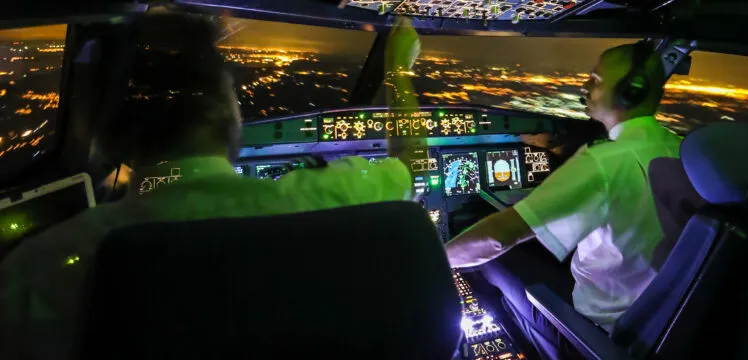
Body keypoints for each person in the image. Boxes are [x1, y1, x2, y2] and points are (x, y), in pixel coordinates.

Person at [0, 7, 420, 359]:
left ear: (110, 135)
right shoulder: (322, 203)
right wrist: (399, 70)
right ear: (226, 106)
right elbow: (412, 169)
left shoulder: (36, 272)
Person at [445, 42, 683, 358]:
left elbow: (495, 238)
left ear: (631, 91)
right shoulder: (683, 148)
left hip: (594, 334)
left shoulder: (603, 162)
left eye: (595, 80)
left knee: (491, 260)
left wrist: (432, 261)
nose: (584, 87)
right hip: (663, 323)